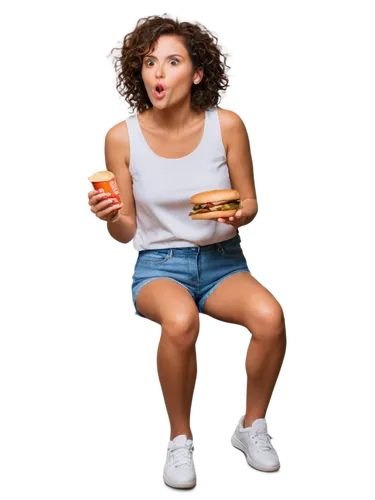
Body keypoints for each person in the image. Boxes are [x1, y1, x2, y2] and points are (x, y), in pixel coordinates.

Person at [86, 12, 288, 491]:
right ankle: (178, 439)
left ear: (198, 73)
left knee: (271, 318)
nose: (158, 72)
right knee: (180, 322)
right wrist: (110, 215)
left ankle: (251, 427)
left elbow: (250, 199)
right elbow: (126, 230)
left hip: (223, 262)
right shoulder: (122, 136)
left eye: (173, 61)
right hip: (158, 265)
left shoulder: (227, 125)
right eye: (150, 62)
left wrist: (239, 215)